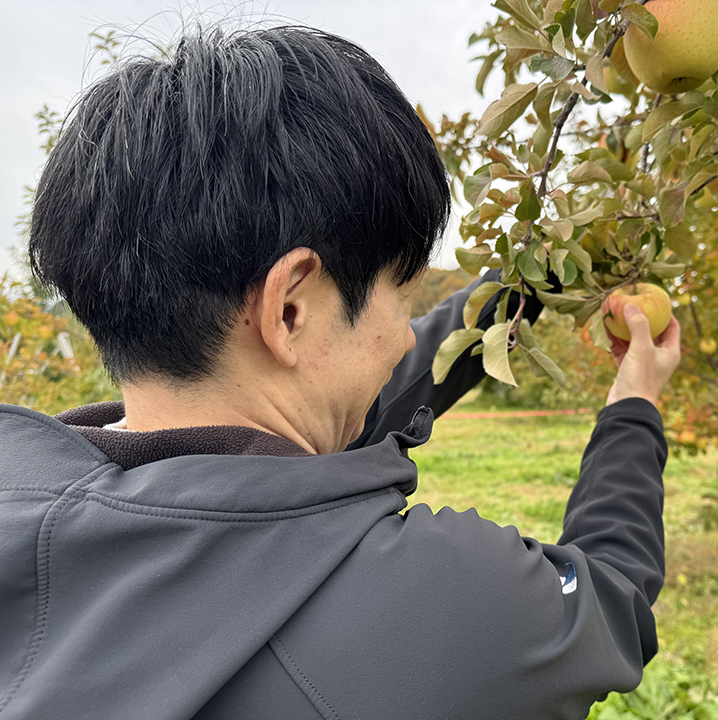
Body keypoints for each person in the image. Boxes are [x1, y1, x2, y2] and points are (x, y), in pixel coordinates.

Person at [0, 25, 681, 720]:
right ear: (289, 309)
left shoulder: (25, 502)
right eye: (402, 294)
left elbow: (358, 396)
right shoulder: (444, 608)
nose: (403, 336)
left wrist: (530, 277)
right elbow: (614, 599)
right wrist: (635, 401)